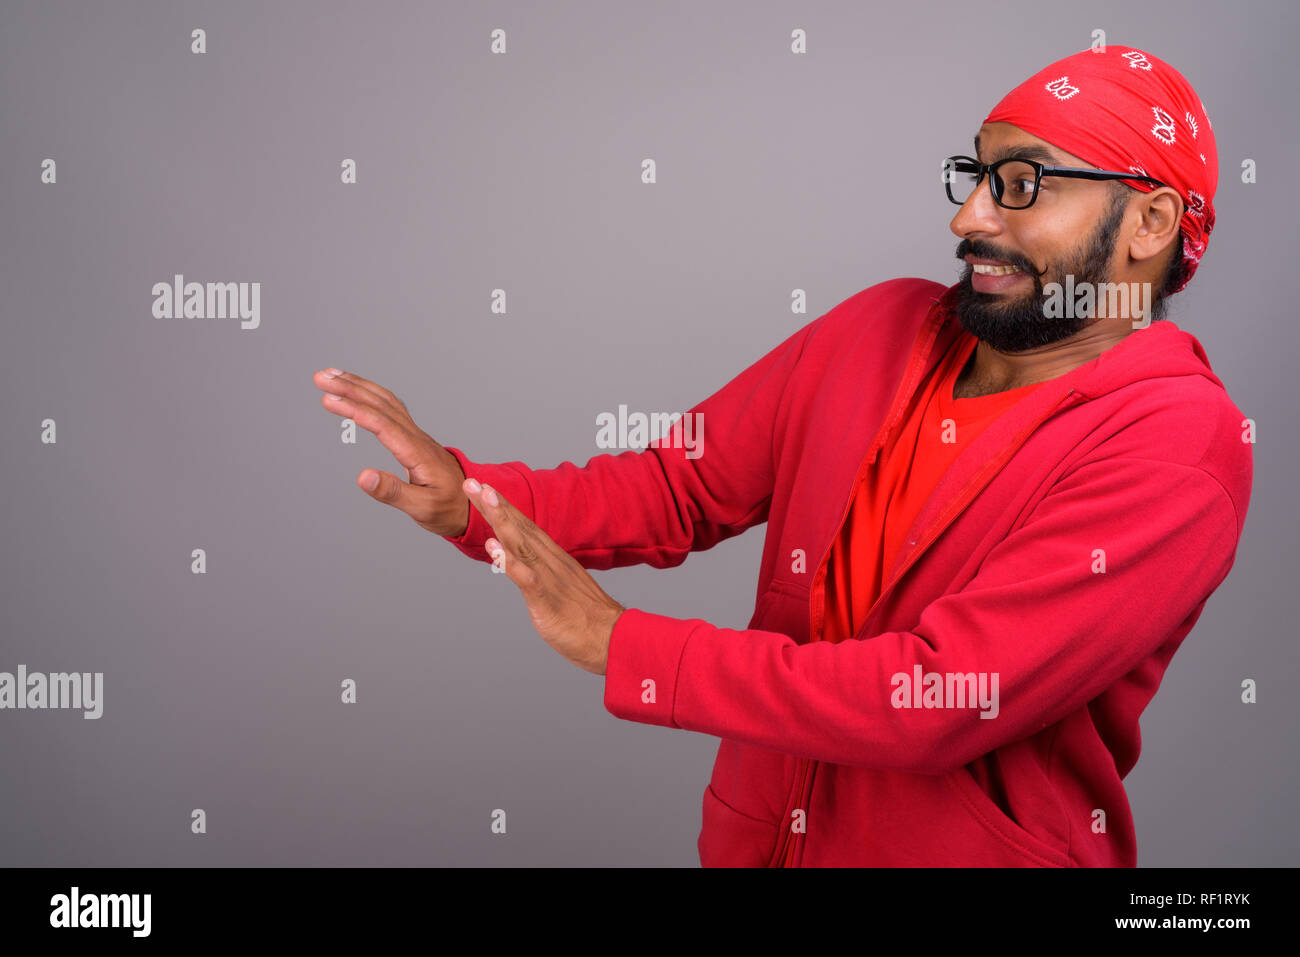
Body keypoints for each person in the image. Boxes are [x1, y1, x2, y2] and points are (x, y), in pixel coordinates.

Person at [312, 45, 1250, 866]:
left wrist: (624, 645)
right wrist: (469, 500)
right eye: (977, 174)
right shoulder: (885, 327)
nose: (970, 216)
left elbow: (936, 694)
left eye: (1023, 183)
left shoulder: (1178, 446)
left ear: (1151, 222)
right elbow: (674, 485)